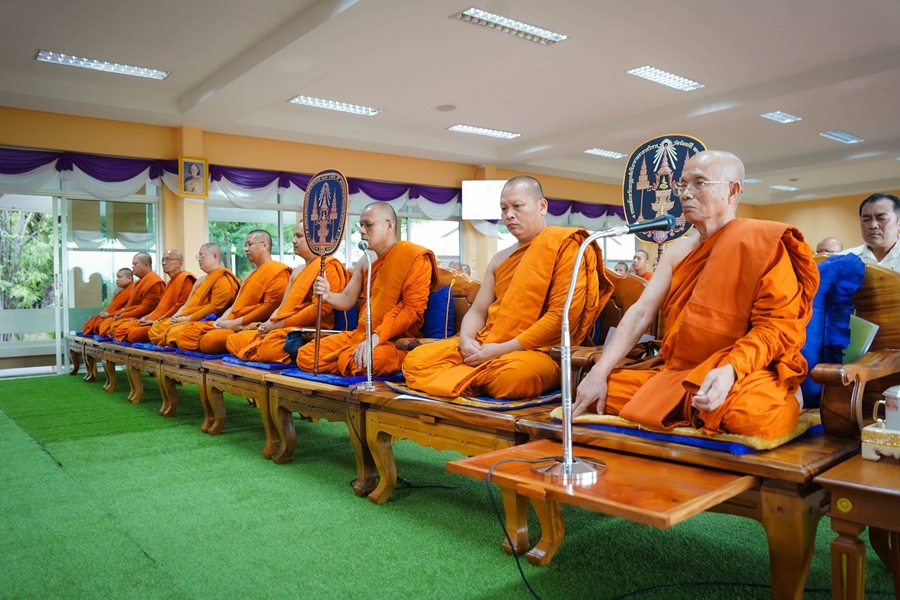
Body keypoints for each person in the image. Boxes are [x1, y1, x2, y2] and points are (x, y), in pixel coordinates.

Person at [573, 151, 819, 440]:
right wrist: (600, 372)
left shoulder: (764, 244)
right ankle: (699, 408)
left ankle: (774, 398)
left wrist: (730, 369)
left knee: (753, 413)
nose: (685, 194)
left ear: (732, 191)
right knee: (601, 392)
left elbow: (775, 328)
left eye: (699, 183)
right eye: (682, 185)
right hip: (680, 371)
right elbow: (640, 313)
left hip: (744, 369)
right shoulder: (677, 252)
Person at [403, 176, 612, 399]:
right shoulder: (500, 258)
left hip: (539, 351)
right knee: (416, 360)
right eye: (504, 208)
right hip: (488, 343)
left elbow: (559, 318)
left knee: (512, 378)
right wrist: (466, 340)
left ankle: (462, 378)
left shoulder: (567, 246)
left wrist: (500, 350)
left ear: (542, 206)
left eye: (517, 206)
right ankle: (476, 379)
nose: (509, 215)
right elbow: (478, 311)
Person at [296, 201, 437, 376]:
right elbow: (347, 299)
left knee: (371, 360)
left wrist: (376, 337)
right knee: (307, 354)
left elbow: (412, 310)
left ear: (389, 226)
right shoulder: (365, 261)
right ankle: (346, 360)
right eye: (360, 225)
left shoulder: (414, 257)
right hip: (361, 335)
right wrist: (328, 295)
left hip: (394, 340)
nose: (361, 231)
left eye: (368, 224)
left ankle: (345, 359)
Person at [226, 223, 350, 364]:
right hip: (284, 327)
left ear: (316, 240)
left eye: (299, 236)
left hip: (309, 331)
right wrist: (268, 324)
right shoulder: (297, 271)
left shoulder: (327, 266)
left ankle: (273, 349)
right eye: (294, 236)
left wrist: (276, 326)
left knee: (269, 348)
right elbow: (283, 306)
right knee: (233, 340)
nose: (293, 240)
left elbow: (319, 310)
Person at [176, 231, 291, 354]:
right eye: (245, 245)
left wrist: (234, 323)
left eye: (250, 244)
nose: (246, 249)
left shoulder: (278, 271)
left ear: (265, 245)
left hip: (251, 325)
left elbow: (268, 308)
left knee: (209, 341)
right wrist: (221, 321)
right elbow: (235, 306)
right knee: (184, 336)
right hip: (233, 322)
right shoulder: (249, 275)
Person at [148, 244, 240, 347]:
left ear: (214, 256)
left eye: (202, 256)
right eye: (198, 256)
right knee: (155, 330)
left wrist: (186, 319)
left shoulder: (223, 279)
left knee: (175, 333)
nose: (199, 259)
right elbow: (187, 304)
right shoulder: (201, 279)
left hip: (203, 320)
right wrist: (177, 316)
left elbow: (214, 308)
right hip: (186, 318)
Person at [113, 250, 197, 343]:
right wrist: (147, 317)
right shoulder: (170, 282)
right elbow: (160, 307)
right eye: (162, 260)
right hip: (157, 319)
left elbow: (180, 306)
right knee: (121, 328)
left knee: (134, 333)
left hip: (170, 320)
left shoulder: (185, 279)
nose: (164, 263)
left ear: (179, 263)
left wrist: (157, 320)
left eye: (168, 259)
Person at [97, 253, 165, 338]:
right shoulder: (138, 282)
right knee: (108, 324)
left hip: (147, 318)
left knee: (125, 330)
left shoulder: (154, 281)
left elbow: (147, 308)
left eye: (135, 264)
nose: (132, 266)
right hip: (135, 317)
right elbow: (130, 306)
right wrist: (120, 314)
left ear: (146, 264)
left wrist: (124, 315)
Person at [838, 193, 900, 270]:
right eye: (866, 220)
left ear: (899, 222)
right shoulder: (843, 260)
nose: (873, 225)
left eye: (881, 218)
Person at [81, 268, 134, 335]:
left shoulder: (133, 290)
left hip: (120, 317)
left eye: (120, 277)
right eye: (117, 277)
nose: (117, 279)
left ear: (129, 278)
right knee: (93, 321)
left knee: (106, 325)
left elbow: (127, 309)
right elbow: (112, 306)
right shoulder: (119, 292)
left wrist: (109, 315)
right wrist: (105, 312)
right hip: (111, 315)